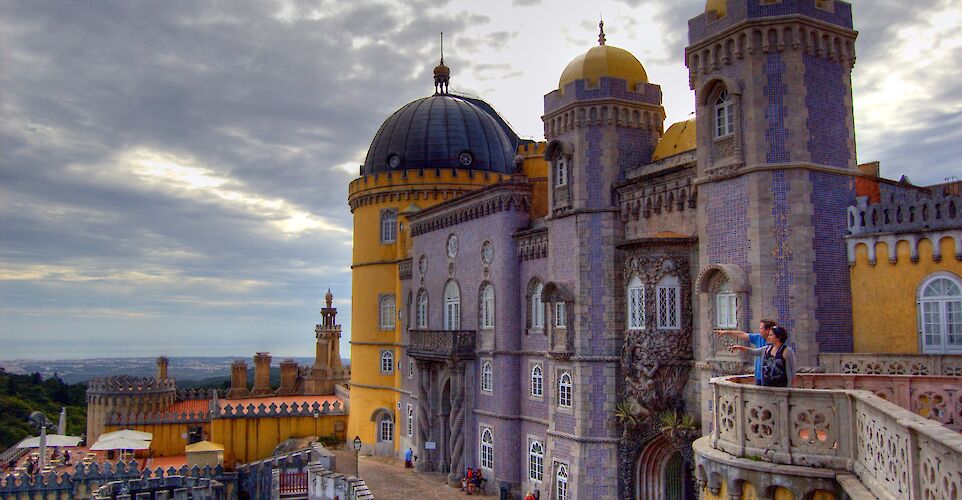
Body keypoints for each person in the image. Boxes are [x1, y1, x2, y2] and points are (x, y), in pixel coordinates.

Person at [715, 319, 777, 384]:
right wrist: (726, 332)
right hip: (759, 377)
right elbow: (742, 335)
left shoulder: (776, 343)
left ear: (768, 330)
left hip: (771, 377)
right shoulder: (758, 338)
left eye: (761, 329)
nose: (759, 331)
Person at [732, 325, 796, 387]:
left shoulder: (787, 351)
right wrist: (740, 348)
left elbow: (792, 369)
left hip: (782, 387)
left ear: (778, 337)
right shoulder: (766, 349)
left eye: (771, 335)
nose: (768, 337)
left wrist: (791, 385)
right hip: (766, 385)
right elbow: (753, 352)